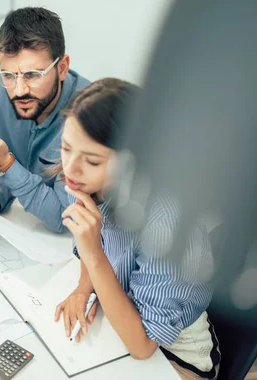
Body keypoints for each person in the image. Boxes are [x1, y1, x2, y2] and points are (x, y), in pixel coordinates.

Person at [52, 78, 220, 379]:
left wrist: (93, 253)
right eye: (66, 148)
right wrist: (82, 288)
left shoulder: (165, 224)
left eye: (91, 160)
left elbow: (143, 346)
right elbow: (97, 245)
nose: (70, 169)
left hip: (176, 355)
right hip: (124, 311)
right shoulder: (83, 181)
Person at [0, 7, 90, 232]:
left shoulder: (87, 116)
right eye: (8, 75)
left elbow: (63, 219)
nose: (19, 91)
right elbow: (7, 153)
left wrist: (6, 164)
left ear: (62, 68)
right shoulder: (4, 90)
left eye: (32, 75)